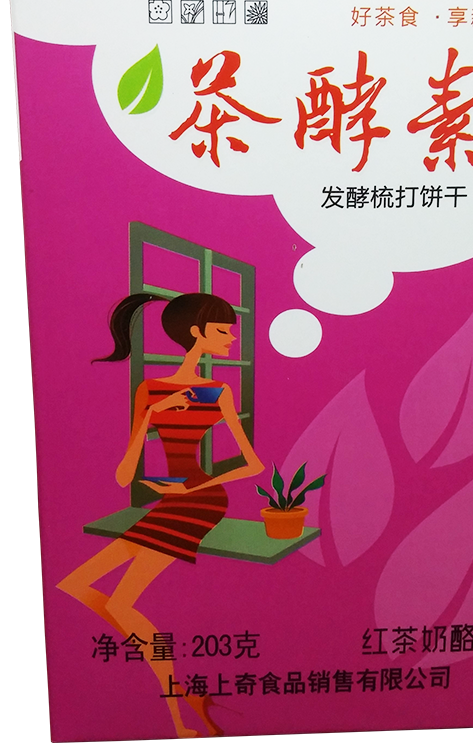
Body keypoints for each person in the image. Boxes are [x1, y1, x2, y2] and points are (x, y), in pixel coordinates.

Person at [57, 292, 264, 738]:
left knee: (120, 603)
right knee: (74, 584)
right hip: (171, 499)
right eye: (222, 330)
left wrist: (192, 486)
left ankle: (176, 715)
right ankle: (187, 694)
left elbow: (252, 464)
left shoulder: (218, 391)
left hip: (200, 500)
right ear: (196, 333)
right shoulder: (150, 391)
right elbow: (123, 475)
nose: (231, 339)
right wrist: (152, 413)